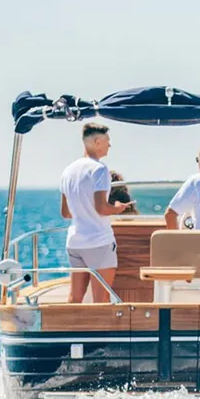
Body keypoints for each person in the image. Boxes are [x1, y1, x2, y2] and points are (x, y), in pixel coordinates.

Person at [60, 123, 135, 303]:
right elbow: (101, 207)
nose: (110, 145)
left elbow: (66, 213)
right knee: (101, 298)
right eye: (108, 141)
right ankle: (101, 332)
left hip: (75, 241)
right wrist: (117, 207)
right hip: (98, 241)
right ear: (97, 141)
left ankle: (72, 330)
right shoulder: (100, 170)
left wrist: (83, 210)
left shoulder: (68, 170)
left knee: (75, 297)